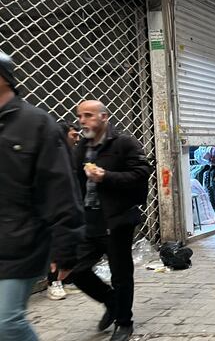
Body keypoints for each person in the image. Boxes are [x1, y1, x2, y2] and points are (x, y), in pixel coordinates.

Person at [0, 51, 85, 340]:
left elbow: (60, 189)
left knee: (7, 322)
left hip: (20, 243)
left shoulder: (35, 124)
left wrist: (65, 251)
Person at [67, 100, 153, 341]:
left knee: (121, 274)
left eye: (88, 115)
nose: (82, 121)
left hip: (116, 219)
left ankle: (124, 323)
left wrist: (106, 176)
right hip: (90, 218)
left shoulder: (123, 143)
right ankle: (111, 301)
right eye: (80, 116)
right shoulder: (82, 146)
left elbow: (141, 172)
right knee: (76, 270)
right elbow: (75, 179)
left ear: (104, 117)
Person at [46, 121, 83, 301]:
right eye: (73, 135)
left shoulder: (70, 153)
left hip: (71, 207)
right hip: (55, 209)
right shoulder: (53, 154)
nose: (77, 139)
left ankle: (66, 280)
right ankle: (54, 283)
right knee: (56, 249)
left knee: (70, 246)